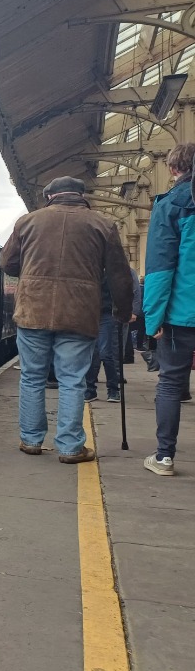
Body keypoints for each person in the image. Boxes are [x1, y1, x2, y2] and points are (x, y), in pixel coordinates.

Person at [0, 176, 133, 464]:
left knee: (32, 377)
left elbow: (7, 263)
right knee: (73, 380)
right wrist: (123, 311)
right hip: (79, 312)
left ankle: (31, 440)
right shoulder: (102, 224)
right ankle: (71, 447)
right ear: (81, 195)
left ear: (49, 197)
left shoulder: (28, 221)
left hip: (33, 310)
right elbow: (119, 275)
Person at [141, 142, 195, 476]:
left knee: (172, 384)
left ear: (173, 169)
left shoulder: (173, 204)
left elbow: (161, 270)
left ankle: (164, 457)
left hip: (181, 314)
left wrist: (153, 318)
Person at [84, 276, 123, 403]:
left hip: (105, 315)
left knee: (105, 353)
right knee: (92, 354)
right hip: (89, 315)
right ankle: (90, 390)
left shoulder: (106, 271)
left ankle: (113, 389)